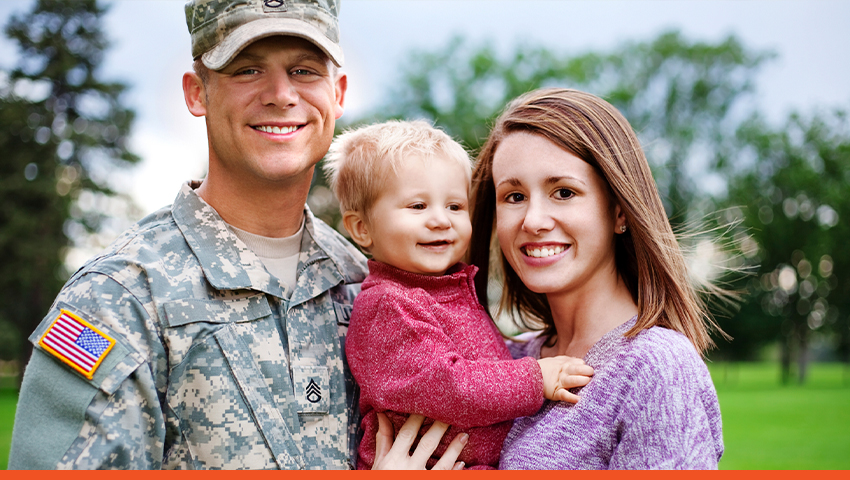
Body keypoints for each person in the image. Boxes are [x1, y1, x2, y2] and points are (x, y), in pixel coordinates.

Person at [7, 0, 431, 469]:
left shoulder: (365, 286)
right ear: (197, 93)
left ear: (339, 93)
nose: (280, 94)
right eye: (247, 69)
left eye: (305, 71)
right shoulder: (116, 300)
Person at [465, 88, 725, 469]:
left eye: (564, 192)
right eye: (514, 196)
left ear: (619, 211)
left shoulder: (656, 368)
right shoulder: (503, 359)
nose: (533, 221)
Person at [322, 120, 594, 469]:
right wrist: (537, 378)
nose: (440, 220)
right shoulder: (389, 304)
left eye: (454, 206)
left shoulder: (447, 291)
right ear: (362, 228)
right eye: (417, 206)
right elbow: (449, 387)